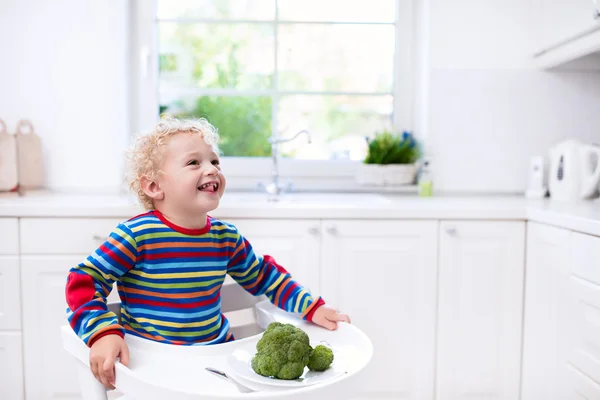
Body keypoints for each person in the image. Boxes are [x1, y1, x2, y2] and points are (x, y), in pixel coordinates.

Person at [65, 117, 351, 389]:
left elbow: (264, 276)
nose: (212, 168)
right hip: (153, 363)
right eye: (194, 162)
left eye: (214, 161)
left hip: (215, 360)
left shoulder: (225, 237)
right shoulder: (137, 236)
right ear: (154, 186)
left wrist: (312, 307)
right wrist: (102, 333)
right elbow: (84, 281)